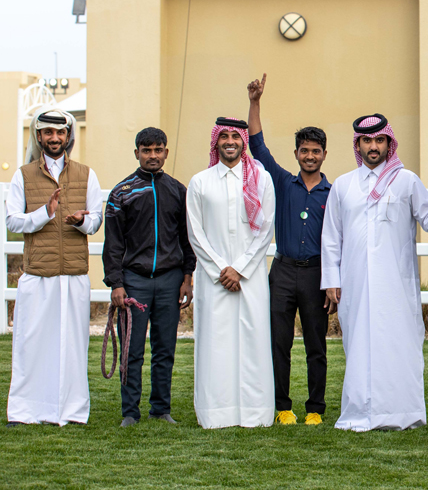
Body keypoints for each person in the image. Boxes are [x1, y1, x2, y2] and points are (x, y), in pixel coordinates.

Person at [321, 114, 428, 431]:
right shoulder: (343, 185)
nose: (374, 146)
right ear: (358, 144)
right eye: (367, 141)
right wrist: (331, 280)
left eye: (379, 140)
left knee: (400, 343)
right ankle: (359, 413)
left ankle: (402, 414)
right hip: (355, 284)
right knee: (358, 346)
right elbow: (331, 237)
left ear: (388, 143)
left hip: (397, 283)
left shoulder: (406, 180)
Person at [5, 109, 103, 427]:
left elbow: (97, 220)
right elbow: (11, 220)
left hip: (73, 275)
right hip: (37, 275)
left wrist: (81, 221)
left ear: (68, 136)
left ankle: (71, 413)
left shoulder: (87, 174)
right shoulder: (22, 175)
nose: (55, 138)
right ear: (39, 137)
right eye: (48, 133)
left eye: (60, 133)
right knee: (31, 346)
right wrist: (44, 213)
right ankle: (26, 412)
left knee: (73, 348)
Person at [247, 74, 331, 426]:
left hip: (316, 274)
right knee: (279, 343)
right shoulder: (282, 181)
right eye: (304, 150)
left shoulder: (334, 193)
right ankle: (282, 407)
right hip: (282, 271)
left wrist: (334, 281)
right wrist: (255, 101)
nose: (309, 156)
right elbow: (257, 147)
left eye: (315, 151)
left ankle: (315, 409)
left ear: (324, 154)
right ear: (296, 153)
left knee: (316, 345)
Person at [187, 117, 276, 429]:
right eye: (223, 136)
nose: (229, 142)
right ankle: (216, 414)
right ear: (216, 142)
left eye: (235, 136)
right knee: (215, 344)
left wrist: (239, 269)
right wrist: (221, 270)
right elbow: (195, 233)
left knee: (253, 343)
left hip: (250, 278)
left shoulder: (261, 179)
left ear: (243, 141)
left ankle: (255, 413)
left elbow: (265, 231)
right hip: (213, 281)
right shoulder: (200, 181)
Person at [103, 127, 196, 428]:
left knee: (164, 348)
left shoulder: (179, 191)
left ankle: (161, 408)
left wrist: (187, 277)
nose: (153, 155)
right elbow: (113, 243)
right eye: (146, 150)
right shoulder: (122, 193)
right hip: (134, 280)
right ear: (137, 153)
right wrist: (116, 282)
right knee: (132, 350)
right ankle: (130, 411)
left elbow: (187, 239)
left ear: (166, 152)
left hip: (170, 279)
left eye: (158, 150)